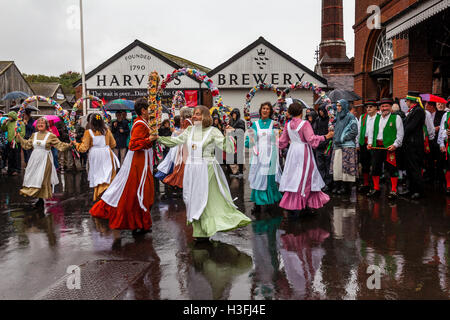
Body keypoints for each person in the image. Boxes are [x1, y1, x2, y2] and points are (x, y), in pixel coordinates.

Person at [157, 105, 251, 240]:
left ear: (206, 116)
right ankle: (199, 230)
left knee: (206, 200)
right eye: (194, 114)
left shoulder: (213, 131)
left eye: (198, 114)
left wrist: (230, 135)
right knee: (191, 199)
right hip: (191, 169)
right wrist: (158, 138)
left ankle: (205, 231)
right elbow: (175, 141)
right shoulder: (190, 130)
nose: (194, 116)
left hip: (207, 168)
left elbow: (228, 149)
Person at [89, 98, 157, 239]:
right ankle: (138, 223)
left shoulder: (144, 123)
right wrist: (149, 140)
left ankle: (141, 223)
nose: (153, 111)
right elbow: (133, 144)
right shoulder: (140, 124)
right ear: (144, 110)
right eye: (150, 109)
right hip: (138, 163)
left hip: (142, 161)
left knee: (141, 192)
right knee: (139, 192)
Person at [278, 102, 333, 213]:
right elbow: (311, 139)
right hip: (303, 151)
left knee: (294, 177)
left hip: (292, 152)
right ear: (301, 111)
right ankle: (304, 204)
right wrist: (325, 137)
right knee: (306, 177)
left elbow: (282, 142)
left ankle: (295, 202)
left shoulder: (287, 125)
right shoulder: (305, 124)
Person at [15, 117, 72, 207]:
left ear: (46, 125)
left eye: (42, 123)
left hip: (45, 159)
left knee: (42, 178)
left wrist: (69, 145)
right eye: (38, 123)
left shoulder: (51, 135)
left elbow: (60, 145)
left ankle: (41, 198)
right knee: (34, 177)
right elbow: (27, 145)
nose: (40, 124)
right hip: (34, 159)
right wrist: (19, 137)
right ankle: (38, 197)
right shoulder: (34, 135)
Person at [245, 102, 283, 213]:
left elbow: (278, 140)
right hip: (258, 156)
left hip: (271, 155)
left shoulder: (275, 124)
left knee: (270, 179)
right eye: (263, 108)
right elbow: (248, 143)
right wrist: (251, 141)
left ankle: (270, 202)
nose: (265, 110)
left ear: (270, 111)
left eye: (267, 109)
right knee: (258, 178)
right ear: (260, 110)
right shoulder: (255, 125)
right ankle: (257, 204)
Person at [75, 113, 120, 201]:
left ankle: (99, 195)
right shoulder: (107, 131)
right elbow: (113, 144)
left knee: (98, 175)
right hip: (107, 154)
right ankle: (107, 195)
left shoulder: (88, 132)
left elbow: (83, 148)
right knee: (107, 174)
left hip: (95, 156)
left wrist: (76, 144)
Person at [367, 98, 404, 199]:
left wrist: (395, 145)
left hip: (390, 147)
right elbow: (371, 132)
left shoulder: (396, 118)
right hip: (377, 146)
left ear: (391, 107)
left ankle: (394, 190)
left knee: (392, 169)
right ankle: (376, 189)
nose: (384, 108)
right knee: (375, 168)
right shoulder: (376, 118)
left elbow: (400, 134)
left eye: (387, 106)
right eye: (382, 106)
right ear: (380, 108)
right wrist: (370, 143)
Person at [399, 91, 426, 200]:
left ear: (412, 101)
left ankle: (418, 191)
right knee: (409, 168)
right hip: (408, 144)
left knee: (415, 168)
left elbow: (410, 127)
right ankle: (411, 189)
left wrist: (401, 132)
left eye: (407, 100)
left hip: (414, 144)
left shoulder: (418, 111)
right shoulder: (411, 111)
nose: (406, 102)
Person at [330, 99, 358, 195]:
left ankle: (346, 188)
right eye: (337, 105)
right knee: (337, 167)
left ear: (344, 106)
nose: (338, 107)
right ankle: (338, 185)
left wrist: (343, 138)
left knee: (346, 168)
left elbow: (354, 131)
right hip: (337, 146)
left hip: (347, 146)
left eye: (340, 105)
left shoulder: (350, 117)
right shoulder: (337, 117)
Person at [162, 107, 193, 189]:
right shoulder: (189, 120)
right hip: (185, 145)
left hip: (185, 146)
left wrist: (174, 131)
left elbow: (184, 134)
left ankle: (181, 183)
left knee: (182, 165)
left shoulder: (187, 121)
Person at [356, 99, 378, 193]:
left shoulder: (379, 117)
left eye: (371, 107)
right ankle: (366, 184)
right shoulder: (363, 117)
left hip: (374, 144)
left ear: (375, 108)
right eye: (367, 107)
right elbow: (359, 131)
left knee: (375, 164)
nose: (368, 109)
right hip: (363, 143)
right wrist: (357, 143)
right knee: (365, 164)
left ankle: (375, 186)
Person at [312, 104, 333, 192]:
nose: (320, 112)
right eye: (319, 110)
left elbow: (331, 133)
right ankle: (321, 183)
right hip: (319, 146)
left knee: (327, 165)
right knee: (320, 165)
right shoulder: (317, 120)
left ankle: (328, 183)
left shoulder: (330, 120)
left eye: (322, 110)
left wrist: (326, 143)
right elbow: (315, 131)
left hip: (327, 145)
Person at [1, 111, 25, 176]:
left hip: (16, 143)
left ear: (13, 117)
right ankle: (10, 170)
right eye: (8, 116)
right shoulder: (8, 122)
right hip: (9, 142)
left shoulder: (20, 123)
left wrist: (17, 140)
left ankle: (17, 170)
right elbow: (3, 130)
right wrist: (3, 124)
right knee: (10, 156)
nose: (9, 118)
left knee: (17, 156)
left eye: (10, 116)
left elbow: (23, 133)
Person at [228, 108, 246, 177]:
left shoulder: (240, 121)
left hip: (239, 141)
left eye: (234, 114)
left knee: (239, 156)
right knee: (233, 156)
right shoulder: (231, 121)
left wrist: (233, 129)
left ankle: (241, 171)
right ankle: (234, 171)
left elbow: (242, 131)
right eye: (232, 114)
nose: (233, 115)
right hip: (232, 141)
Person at [437, 107, 450, 194]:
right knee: (448, 165)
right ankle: (449, 185)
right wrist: (441, 143)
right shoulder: (446, 115)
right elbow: (441, 130)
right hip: (449, 145)